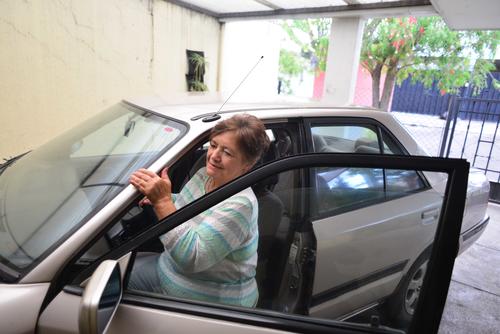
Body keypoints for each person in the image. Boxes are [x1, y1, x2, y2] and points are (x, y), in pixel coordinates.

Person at [128, 114, 270, 308]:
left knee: (109, 283)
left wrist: (162, 202)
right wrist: (168, 197)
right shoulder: (205, 176)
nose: (214, 156)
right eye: (213, 145)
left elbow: (191, 258)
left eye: (227, 152)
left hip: (205, 302)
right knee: (118, 269)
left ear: (247, 165)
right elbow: (188, 207)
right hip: (169, 270)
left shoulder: (241, 204)